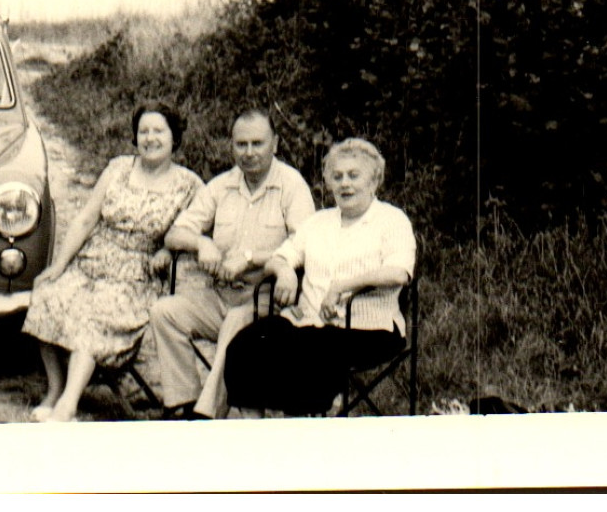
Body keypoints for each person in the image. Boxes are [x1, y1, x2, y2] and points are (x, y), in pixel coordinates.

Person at [22, 102, 201, 422]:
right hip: (92, 261)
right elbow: (87, 218)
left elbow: (196, 230)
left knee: (95, 315)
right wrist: (60, 265)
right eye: (143, 131)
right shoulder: (118, 168)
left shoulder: (189, 184)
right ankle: (56, 388)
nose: (150, 138)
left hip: (138, 274)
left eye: (158, 130)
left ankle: (68, 405)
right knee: (48, 294)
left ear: (174, 136)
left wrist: (169, 253)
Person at [223, 137, 415, 418]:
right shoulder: (317, 222)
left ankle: (304, 425)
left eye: (353, 176)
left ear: (374, 181)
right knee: (247, 344)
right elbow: (280, 257)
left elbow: (398, 271)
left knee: (309, 353)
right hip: (308, 320)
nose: (344, 184)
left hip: (368, 329)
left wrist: (343, 286)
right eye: (337, 177)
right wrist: (285, 271)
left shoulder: (392, 220)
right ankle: (255, 430)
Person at [150, 108, 316, 419]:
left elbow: (307, 245)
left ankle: (207, 414)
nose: (249, 153)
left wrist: (252, 258)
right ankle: (181, 402)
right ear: (232, 146)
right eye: (242, 144)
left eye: (258, 143)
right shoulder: (221, 186)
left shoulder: (292, 186)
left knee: (236, 323)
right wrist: (202, 243)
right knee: (165, 312)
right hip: (219, 294)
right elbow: (175, 234)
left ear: (275, 144)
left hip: (266, 302)